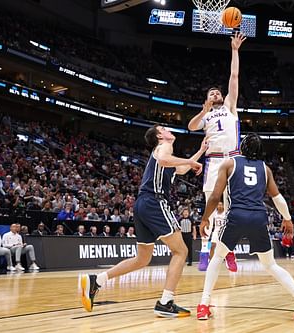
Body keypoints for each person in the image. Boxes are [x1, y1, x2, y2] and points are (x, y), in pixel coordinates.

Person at [80, 124, 206, 318]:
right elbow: (165, 159)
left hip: (142, 205)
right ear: (159, 135)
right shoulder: (164, 147)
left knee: (143, 258)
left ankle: (97, 280)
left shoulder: (163, 154)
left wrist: (200, 151)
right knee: (181, 251)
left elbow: (179, 169)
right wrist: (191, 159)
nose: (168, 130)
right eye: (164, 128)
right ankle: (166, 302)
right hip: (155, 201)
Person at [197, 133, 294, 321]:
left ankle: (204, 305)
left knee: (217, 257)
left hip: (236, 216)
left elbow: (215, 196)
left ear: (242, 147)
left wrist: (205, 218)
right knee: (270, 264)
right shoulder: (265, 168)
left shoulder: (229, 164)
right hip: (258, 217)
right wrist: (287, 218)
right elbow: (277, 198)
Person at [187, 32, 246, 272]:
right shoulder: (206, 115)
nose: (216, 94)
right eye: (211, 93)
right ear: (207, 99)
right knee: (210, 208)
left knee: (230, 210)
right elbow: (190, 127)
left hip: (232, 159)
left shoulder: (230, 106)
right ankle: (204, 251)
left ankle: (228, 251)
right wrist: (204, 110)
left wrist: (234, 50)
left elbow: (234, 76)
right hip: (212, 162)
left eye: (217, 92)